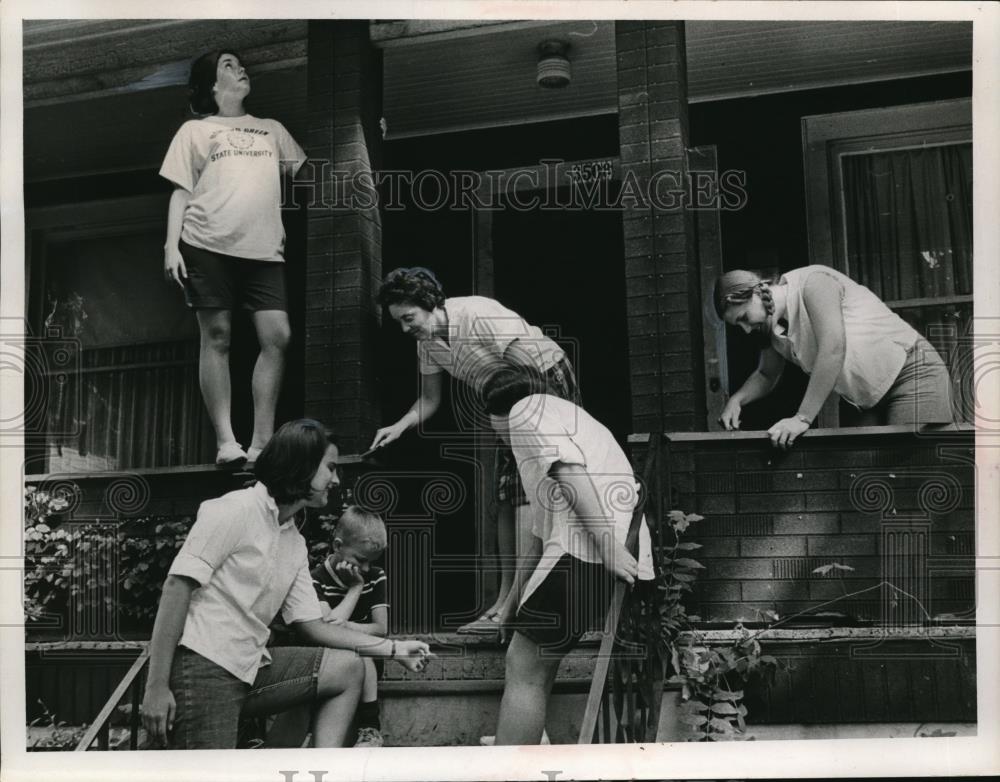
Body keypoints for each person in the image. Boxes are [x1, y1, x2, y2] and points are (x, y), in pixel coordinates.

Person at [139, 419, 432, 749]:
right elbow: (177, 587)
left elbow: (314, 627)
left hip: (252, 667)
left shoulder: (293, 542)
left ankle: (318, 771)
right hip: (204, 668)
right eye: (330, 468)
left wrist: (394, 649)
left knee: (347, 668)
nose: (336, 479)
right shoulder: (234, 510)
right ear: (303, 465)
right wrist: (156, 686)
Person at [371, 267, 582, 634]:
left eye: (409, 318)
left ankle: (515, 606)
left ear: (429, 303)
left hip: (543, 381)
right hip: (508, 398)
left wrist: (532, 428)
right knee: (504, 499)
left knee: (526, 495)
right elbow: (428, 399)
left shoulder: (476, 313)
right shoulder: (428, 345)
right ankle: (501, 600)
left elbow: (529, 367)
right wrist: (400, 425)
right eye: (399, 323)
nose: (406, 329)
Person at [482, 366, 656, 745]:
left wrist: (608, 547)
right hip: (590, 555)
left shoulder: (526, 411)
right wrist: (512, 602)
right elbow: (541, 535)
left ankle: (508, 774)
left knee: (524, 667)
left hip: (589, 550)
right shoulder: (565, 419)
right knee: (538, 669)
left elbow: (569, 471)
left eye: (490, 421)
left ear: (498, 412)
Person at [160, 50, 305, 466]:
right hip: (206, 243)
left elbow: (310, 173)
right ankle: (227, 441)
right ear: (212, 84)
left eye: (241, 64)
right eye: (229, 64)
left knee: (278, 337)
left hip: (264, 250)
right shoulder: (196, 131)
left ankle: (262, 442)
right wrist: (172, 245)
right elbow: (180, 191)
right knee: (218, 336)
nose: (240, 68)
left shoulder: (271, 130)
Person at [713, 264, 954, 449]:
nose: (745, 329)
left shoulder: (812, 282)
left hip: (911, 375)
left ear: (756, 293)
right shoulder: (769, 329)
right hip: (864, 399)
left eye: (743, 317)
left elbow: (833, 348)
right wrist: (737, 400)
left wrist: (802, 418)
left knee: (909, 469)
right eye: (738, 325)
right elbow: (766, 374)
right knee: (859, 475)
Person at [267, 506, 391, 748]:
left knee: (358, 649)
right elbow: (326, 628)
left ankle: (370, 727)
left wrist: (347, 627)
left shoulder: (376, 576)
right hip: (325, 654)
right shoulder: (315, 579)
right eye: (360, 560)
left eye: (370, 562)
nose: (365, 569)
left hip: (366, 660)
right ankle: (311, 734)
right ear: (337, 546)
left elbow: (380, 628)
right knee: (347, 649)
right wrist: (355, 590)